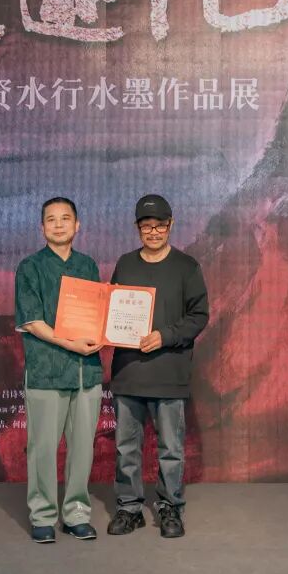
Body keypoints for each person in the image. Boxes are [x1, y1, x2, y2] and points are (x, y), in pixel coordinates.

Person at [106, 194, 209, 538]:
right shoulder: (125, 264)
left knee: (171, 449)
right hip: (128, 372)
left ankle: (170, 508)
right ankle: (129, 508)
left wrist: (165, 336)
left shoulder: (187, 267)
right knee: (126, 447)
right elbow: (112, 312)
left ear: (171, 225)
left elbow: (199, 316)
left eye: (160, 225)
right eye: (146, 225)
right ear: (137, 228)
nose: (153, 231)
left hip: (169, 372)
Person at [14, 197, 104, 543]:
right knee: (43, 447)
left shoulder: (88, 265)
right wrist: (71, 343)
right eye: (51, 219)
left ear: (77, 225)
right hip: (46, 372)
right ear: (42, 228)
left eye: (65, 218)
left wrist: (102, 334)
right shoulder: (30, 267)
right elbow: (32, 322)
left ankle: (77, 513)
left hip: (85, 372)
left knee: (82, 448)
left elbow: (96, 314)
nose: (59, 224)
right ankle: (43, 514)